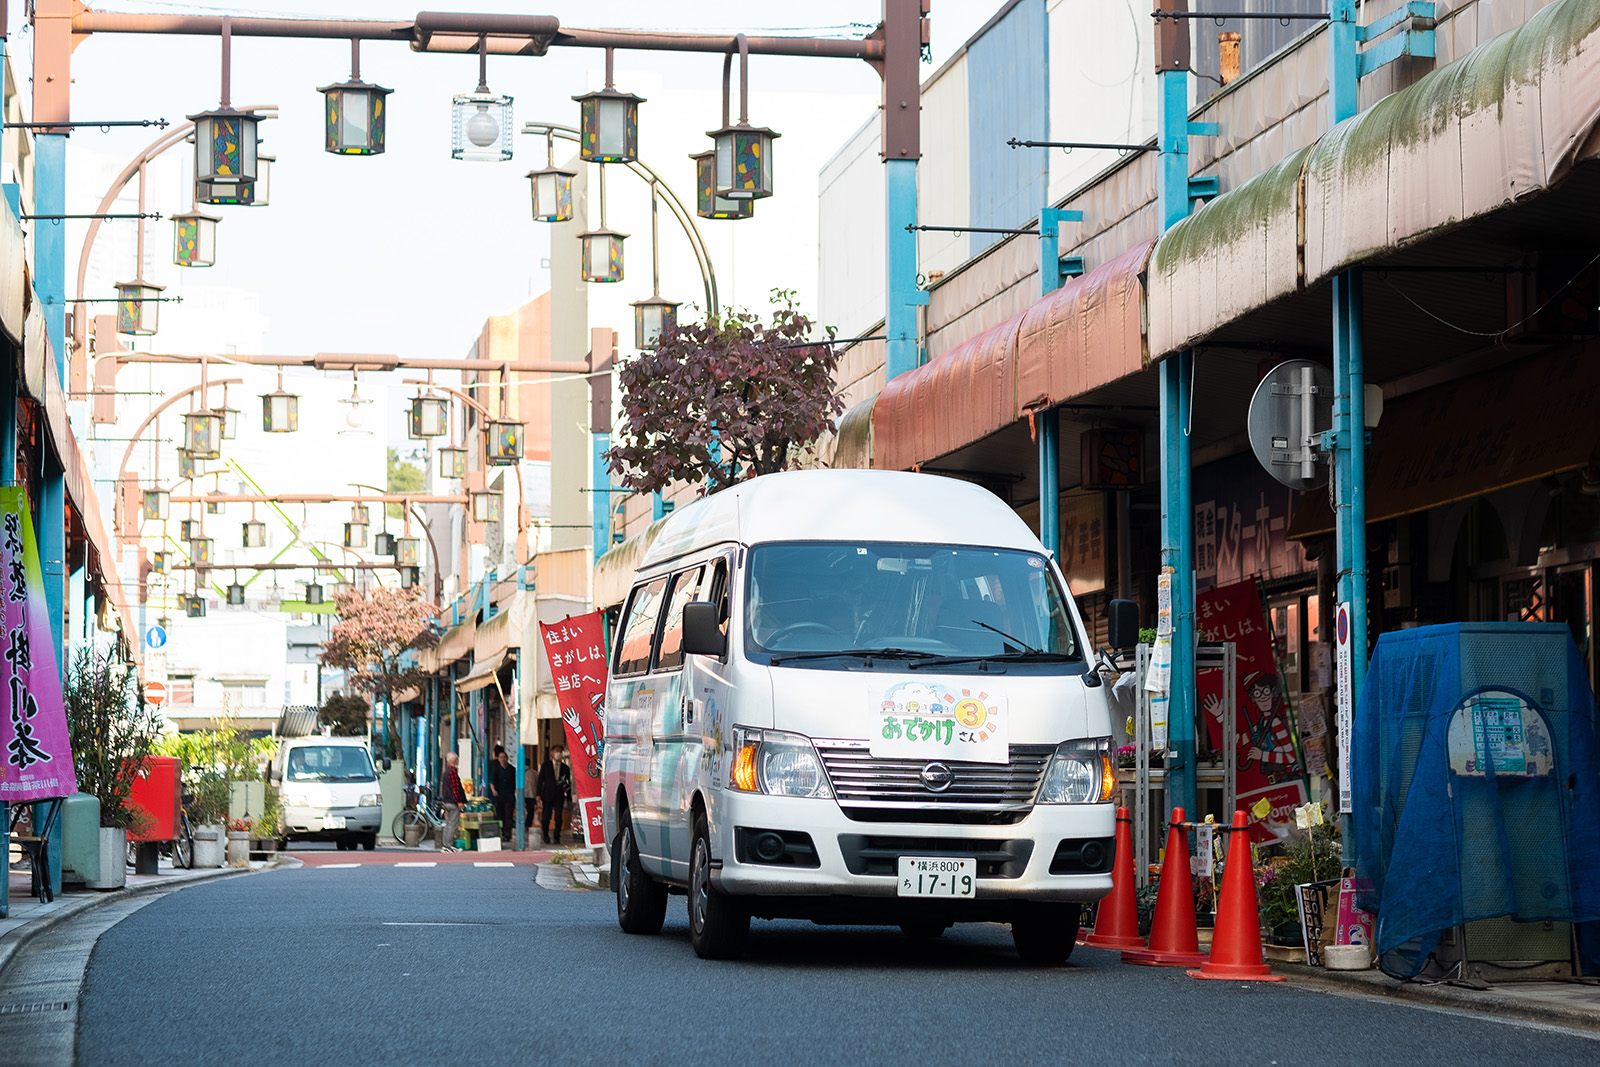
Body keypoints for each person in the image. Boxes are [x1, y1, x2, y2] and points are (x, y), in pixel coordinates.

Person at [537, 746, 567, 846]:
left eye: (560, 751)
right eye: (556, 751)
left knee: (558, 818)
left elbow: (567, 783)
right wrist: (538, 794)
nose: (559, 753)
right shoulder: (546, 765)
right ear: (551, 753)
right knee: (546, 817)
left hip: (559, 796)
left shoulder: (565, 767)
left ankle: (557, 836)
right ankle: (545, 834)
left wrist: (570, 796)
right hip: (547, 795)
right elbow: (540, 780)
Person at [440, 751, 466, 852]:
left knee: (448, 823)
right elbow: (455, 789)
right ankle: (449, 845)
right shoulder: (452, 772)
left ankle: (445, 845)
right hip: (453, 802)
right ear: (454, 760)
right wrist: (459, 802)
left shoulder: (446, 772)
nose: (458, 761)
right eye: (457, 759)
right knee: (452, 824)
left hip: (446, 801)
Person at [488, 744, 515, 839]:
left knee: (508, 815)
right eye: (501, 757)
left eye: (504, 757)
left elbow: (515, 782)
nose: (503, 759)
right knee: (500, 814)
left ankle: (507, 833)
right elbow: (491, 781)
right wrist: (493, 790)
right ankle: (501, 832)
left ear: (507, 758)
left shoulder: (512, 769)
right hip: (499, 796)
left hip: (509, 795)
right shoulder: (496, 769)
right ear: (498, 759)